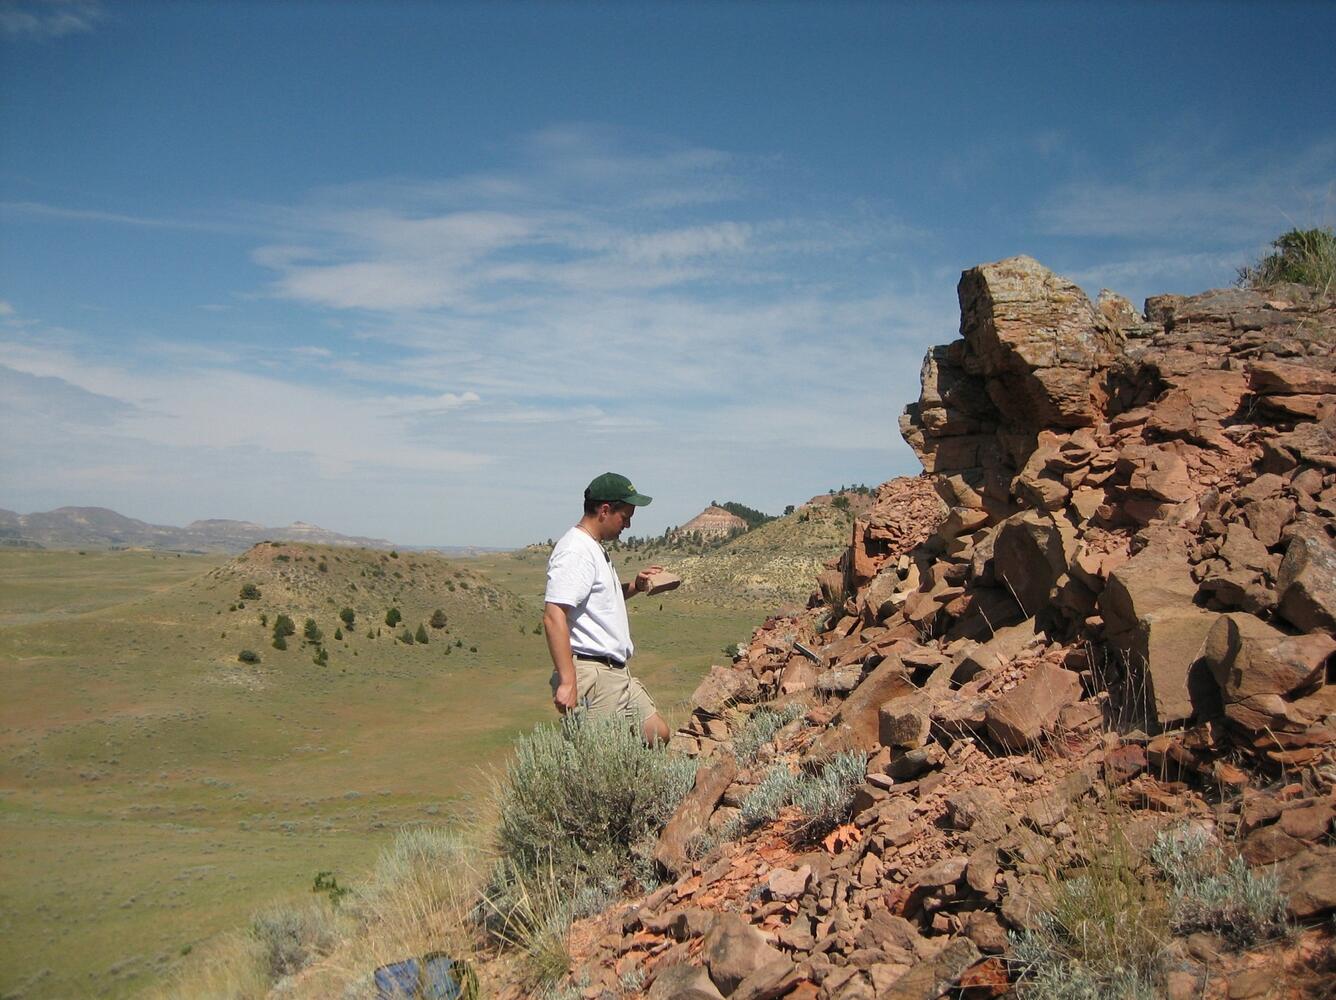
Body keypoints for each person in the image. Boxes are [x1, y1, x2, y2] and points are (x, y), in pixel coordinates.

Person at [543, 472, 671, 745]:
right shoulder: (576, 551)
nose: (628, 524)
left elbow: (599, 604)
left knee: (657, 734)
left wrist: (635, 586)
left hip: (616, 671)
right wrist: (567, 681)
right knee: (595, 759)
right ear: (604, 510)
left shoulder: (593, 548)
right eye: (624, 516)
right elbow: (554, 616)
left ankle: (632, 783)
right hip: (594, 673)